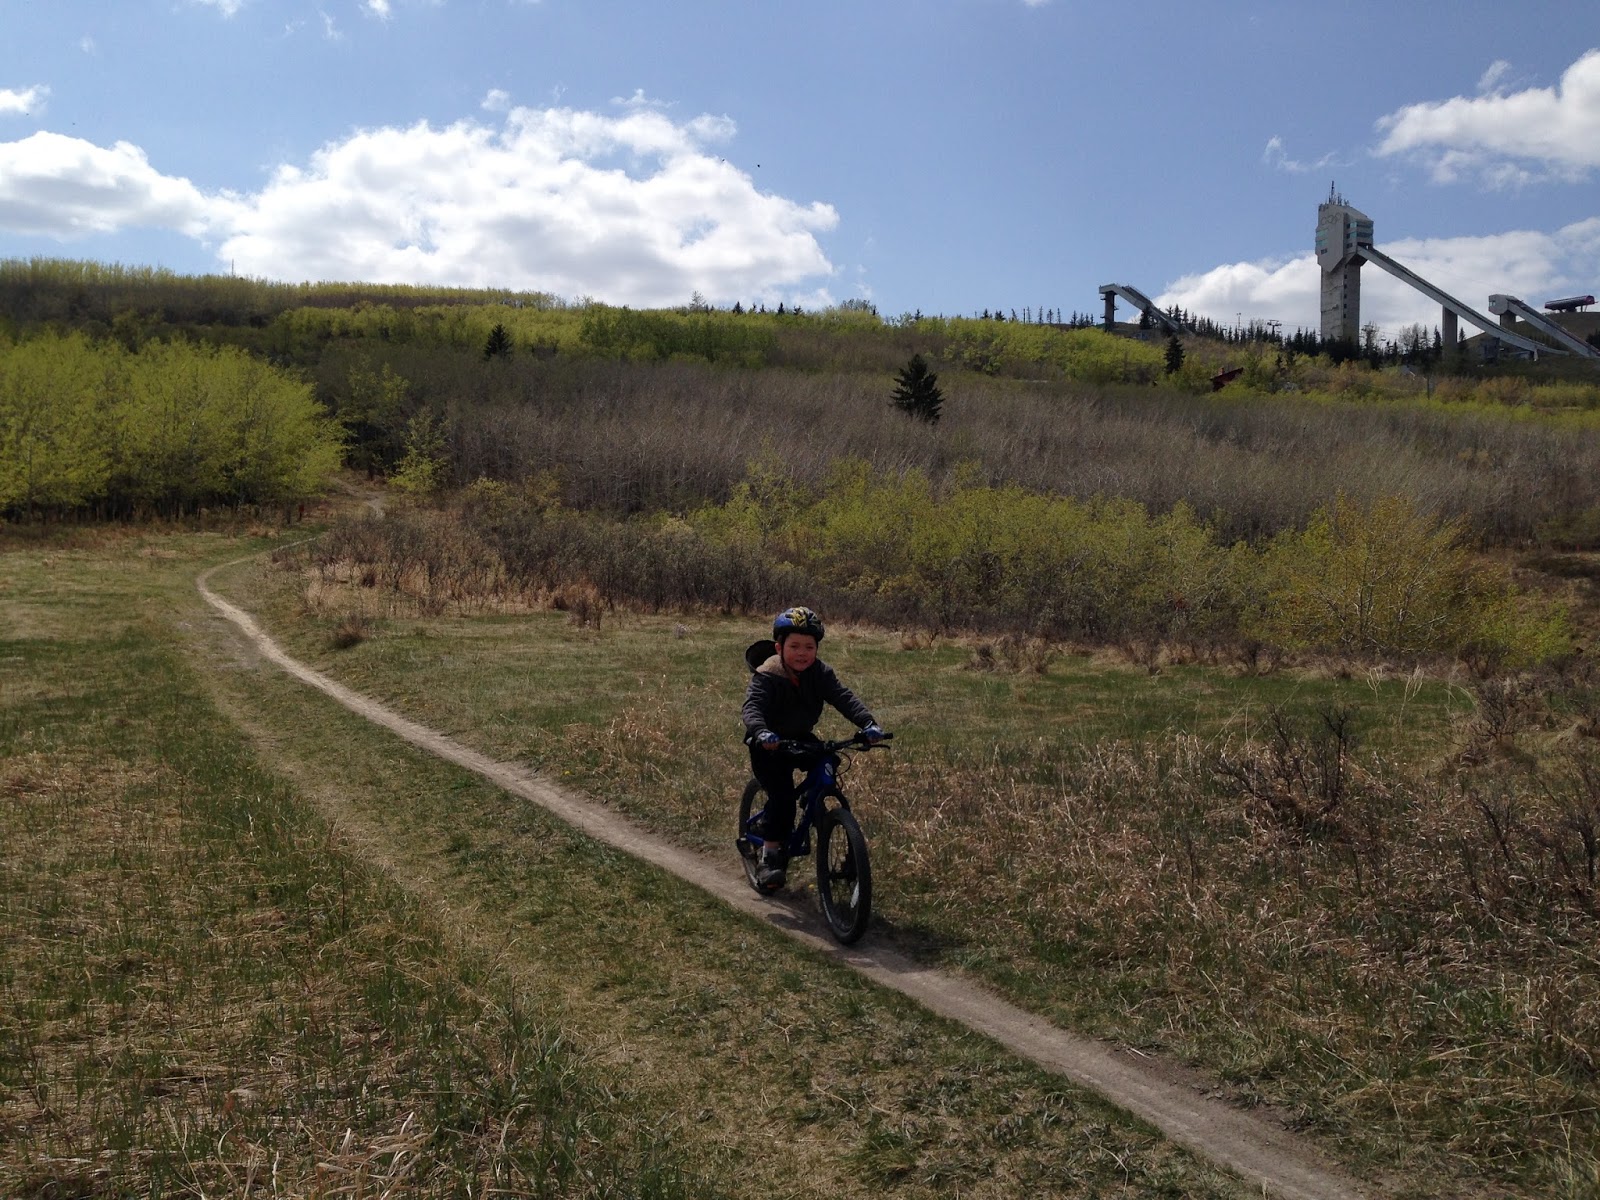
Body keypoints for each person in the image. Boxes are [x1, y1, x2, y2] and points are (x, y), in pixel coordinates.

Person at [741, 605, 884, 890]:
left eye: (809, 646)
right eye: (794, 646)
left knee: (828, 760)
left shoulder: (819, 673)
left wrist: (868, 723)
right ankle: (770, 857)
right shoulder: (768, 675)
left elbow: (843, 697)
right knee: (782, 798)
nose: (802, 653)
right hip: (767, 744)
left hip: (799, 736)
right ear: (779, 647)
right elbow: (752, 708)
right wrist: (761, 732)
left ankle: (813, 805)